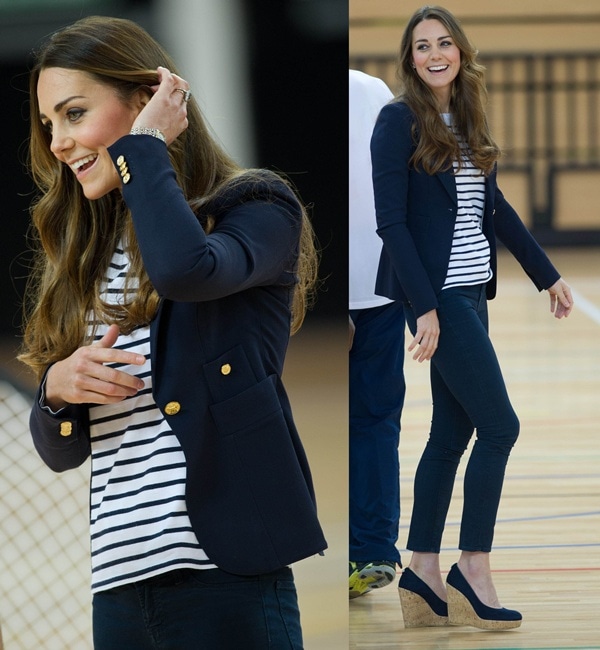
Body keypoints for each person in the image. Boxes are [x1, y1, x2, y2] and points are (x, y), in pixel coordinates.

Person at [19, 15, 327, 649]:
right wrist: (56, 388)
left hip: (227, 574)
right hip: (120, 589)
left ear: (145, 101)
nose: (57, 142)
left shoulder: (256, 209)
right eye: (49, 124)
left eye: (75, 114)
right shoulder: (81, 258)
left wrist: (145, 149)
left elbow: (187, 270)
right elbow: (62, 452)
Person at [371, 5, 573, 630]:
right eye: (422, 46)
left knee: (451, 435)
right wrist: (424, 306)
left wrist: (548, 274)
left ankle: (422, 570)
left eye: (444, 43)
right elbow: (391, 223)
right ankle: (474, 567)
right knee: (502, 427)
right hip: (439, 299)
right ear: (409, 59)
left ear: (460, 51)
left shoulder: (468, 120)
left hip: (471, 296)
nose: (434, 54)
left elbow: (497, 206)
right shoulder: (395, 120)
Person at [348, 69, 406, 599]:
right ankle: (371, 550)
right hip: (384, 285)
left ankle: (366, 551)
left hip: (376, 289)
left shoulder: (369, 91)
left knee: (370, 421)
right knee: (376, 422)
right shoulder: (371, 89)